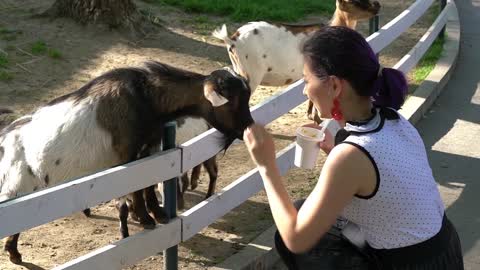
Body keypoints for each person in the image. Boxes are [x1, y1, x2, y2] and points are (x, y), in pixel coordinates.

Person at [243, 26, 464, 270]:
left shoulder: (351, 155)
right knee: (304, 210)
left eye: (307, 81)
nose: (305, 90)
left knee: (295, 231)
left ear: (335, 86)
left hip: (408, 265)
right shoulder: (393, 120)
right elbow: (381, 176)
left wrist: (267, 166)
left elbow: (296, 239)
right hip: (443, 252)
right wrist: (334, 148)